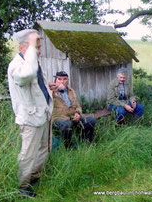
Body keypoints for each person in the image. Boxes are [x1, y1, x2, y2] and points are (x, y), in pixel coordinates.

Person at [8, 29, 53, 198]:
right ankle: (22, 186)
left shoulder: (32, 62)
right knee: (28, 153)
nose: (39, 51)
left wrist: (48, 87)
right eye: (36, 47)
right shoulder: (17, 65)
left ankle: (34, 178)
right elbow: (26, 75)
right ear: (23, 47)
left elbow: (34, 84)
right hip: (30, 118)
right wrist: (32, 50)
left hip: (42, 114)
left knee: (42, 150)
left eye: (39, 47)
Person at [50, 71, 96, 149]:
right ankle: (68, 146)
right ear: (55, 80)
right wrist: (54, 91)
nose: (62, 81)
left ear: (68, 81)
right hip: (58, 118)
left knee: (91, 120)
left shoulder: (71, 91)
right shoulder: (51, 92)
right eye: (59, 79)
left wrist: (78, 113)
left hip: (72, 116)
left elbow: (77, 105)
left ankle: (86, 143)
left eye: (64, 79)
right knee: (67, 124)